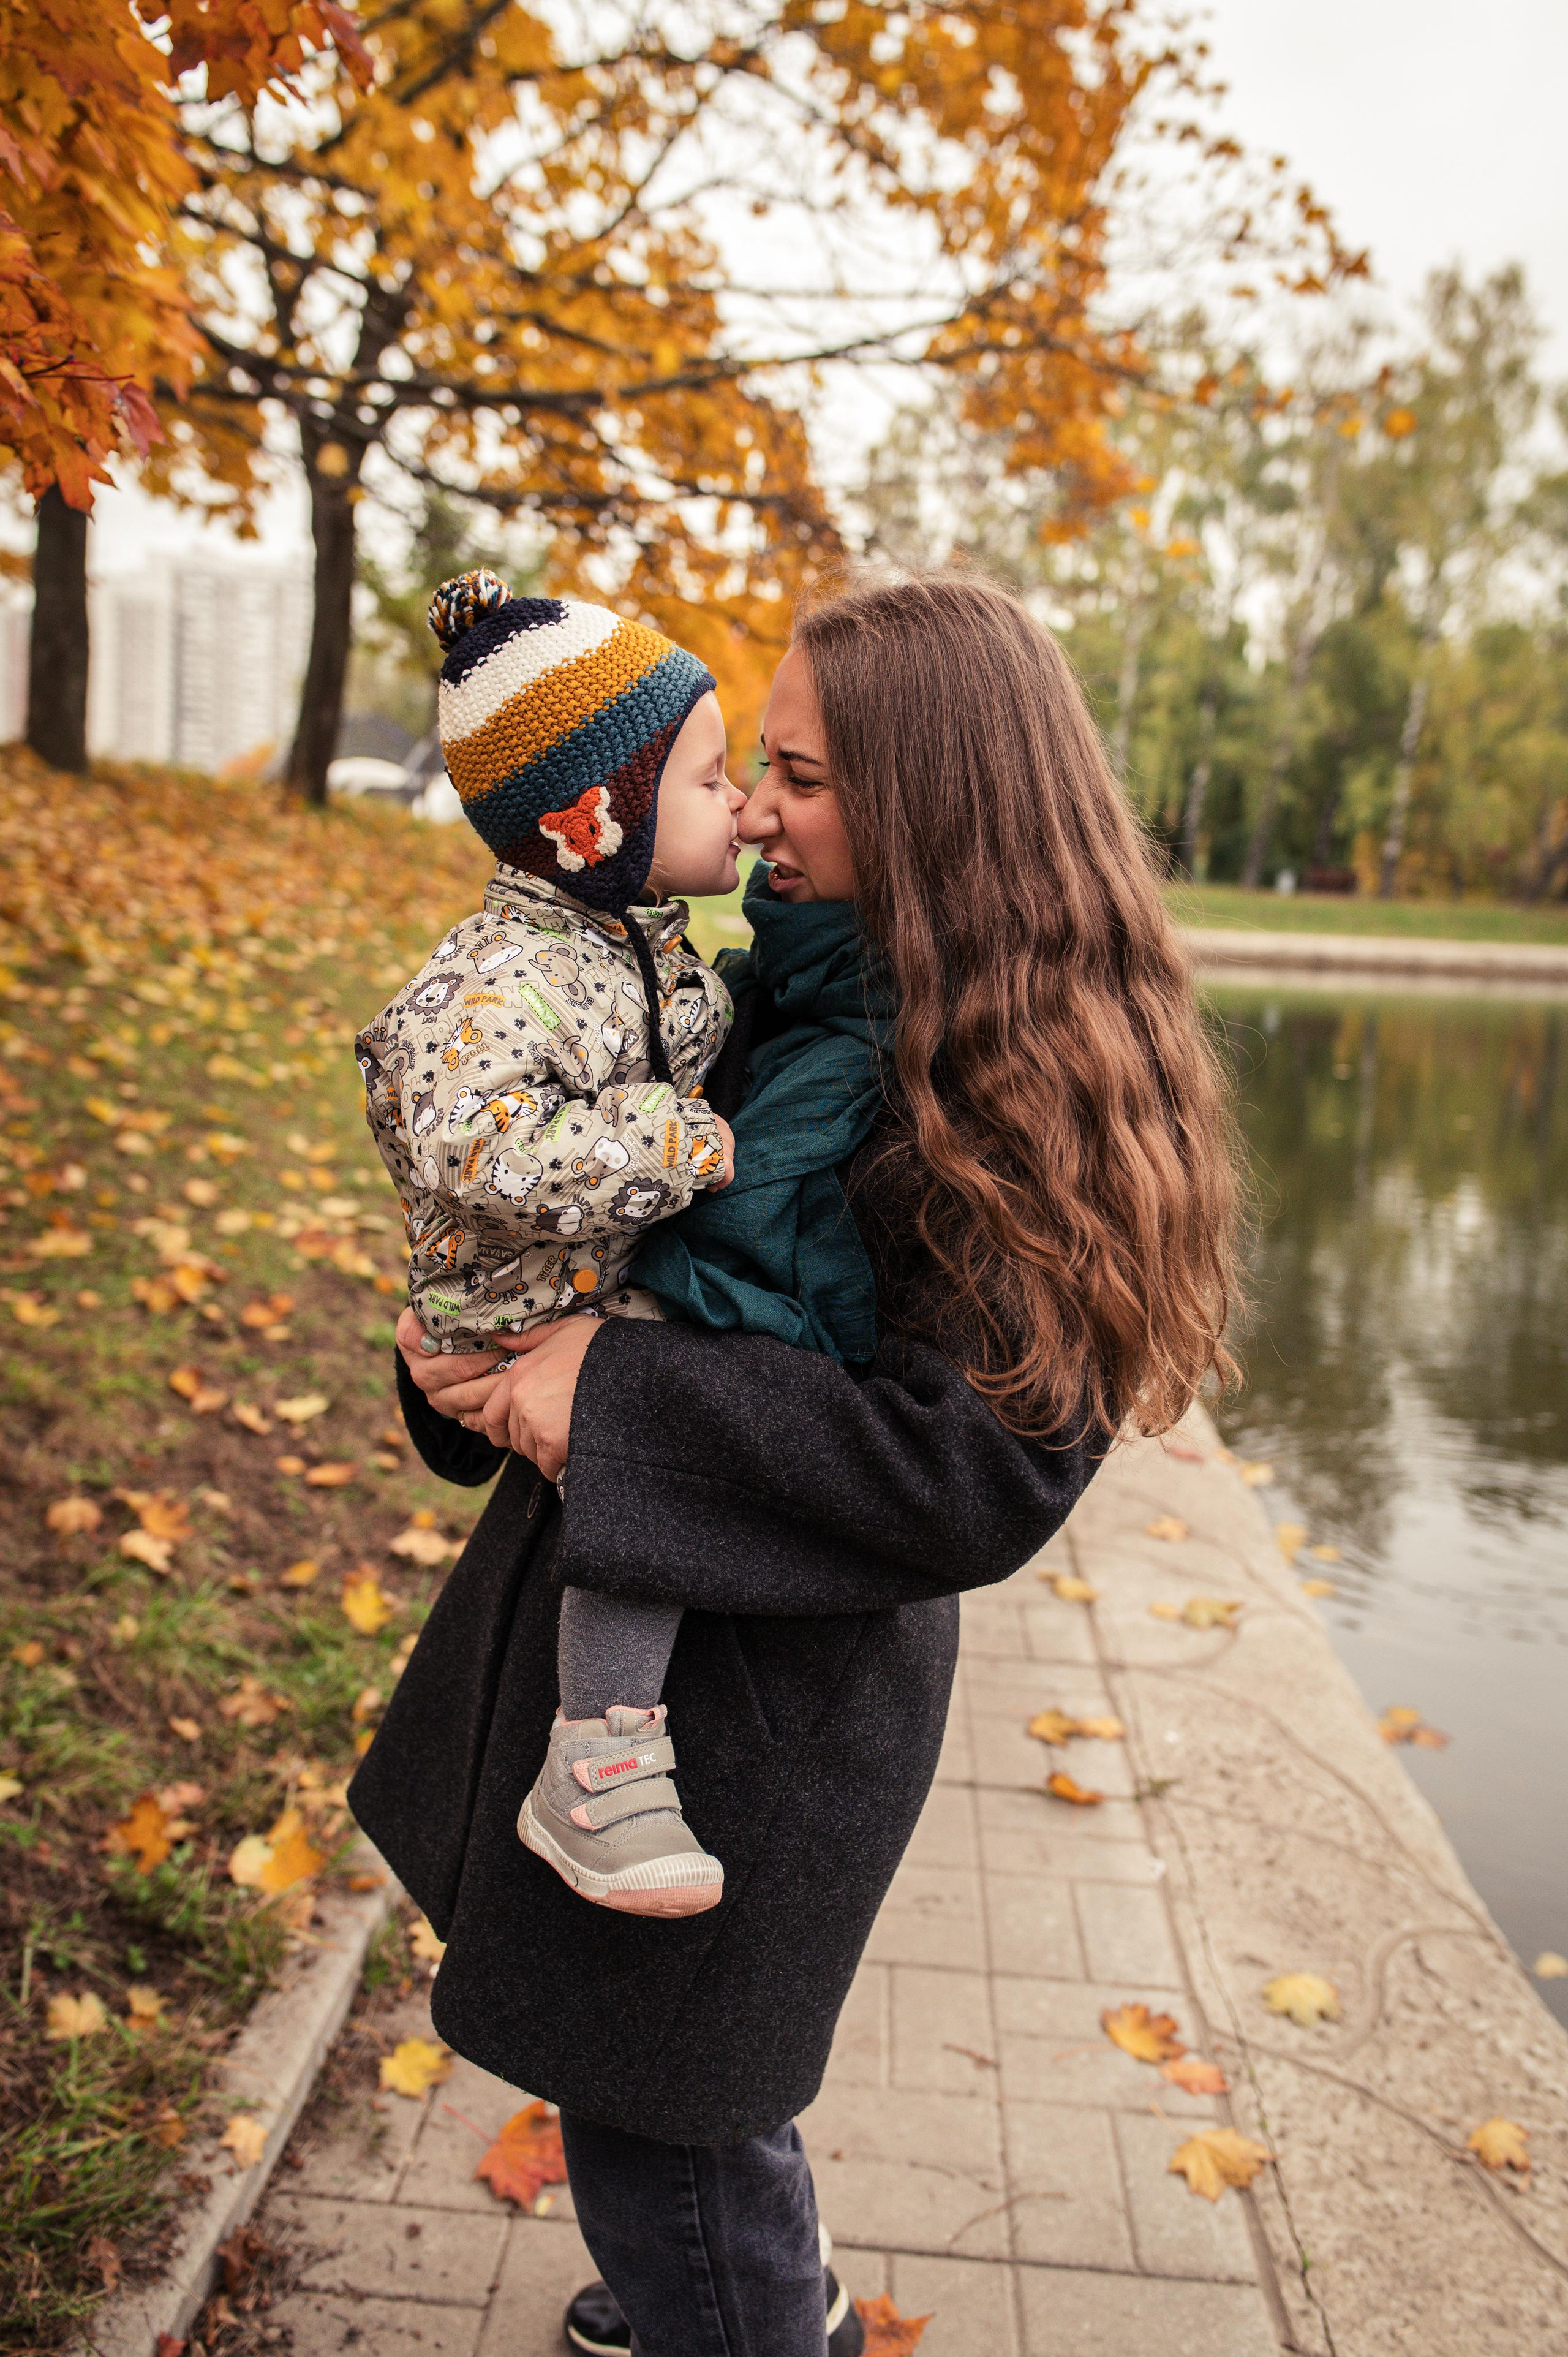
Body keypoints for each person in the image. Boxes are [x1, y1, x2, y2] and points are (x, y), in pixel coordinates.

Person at [349, 569, 1240, 2357]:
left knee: (671, 2115)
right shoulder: (793, 988)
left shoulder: (1010, 1089)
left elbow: (979, 1470)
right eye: (753, 764)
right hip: (651, 1667)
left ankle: (755, 2315)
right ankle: (720, 2280)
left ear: (937, 805)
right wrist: (482, 1348)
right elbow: (637, 1236)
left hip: (760, 1717)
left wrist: (606, 1401)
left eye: (802, 776)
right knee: (669, 2092)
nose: (755, 807)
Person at [357, 569, 746, 1911]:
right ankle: (597, 1760)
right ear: (595, 823)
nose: (740, 801)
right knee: (641, 1468)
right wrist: (676, 1143)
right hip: (514, 1308)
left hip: (574, 1290)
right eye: (709, 779)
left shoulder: (637, 948)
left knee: (647, 1427)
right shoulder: (500, 978)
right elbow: (475, 1148)